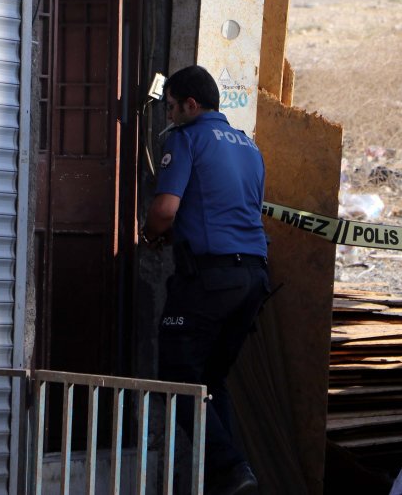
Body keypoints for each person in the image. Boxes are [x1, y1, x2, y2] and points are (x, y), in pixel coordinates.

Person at [142, 65, 270, 495]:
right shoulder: (250, 148)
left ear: (191, 105)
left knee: (178, 379)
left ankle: (231, 469)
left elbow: (165, 210)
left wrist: (149, 234)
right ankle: (233, 480)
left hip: (210, 281)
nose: (169, 116)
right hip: (252, 279)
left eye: (172, 107)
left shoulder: (186, 138)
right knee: (210, 381)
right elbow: (224, 209)